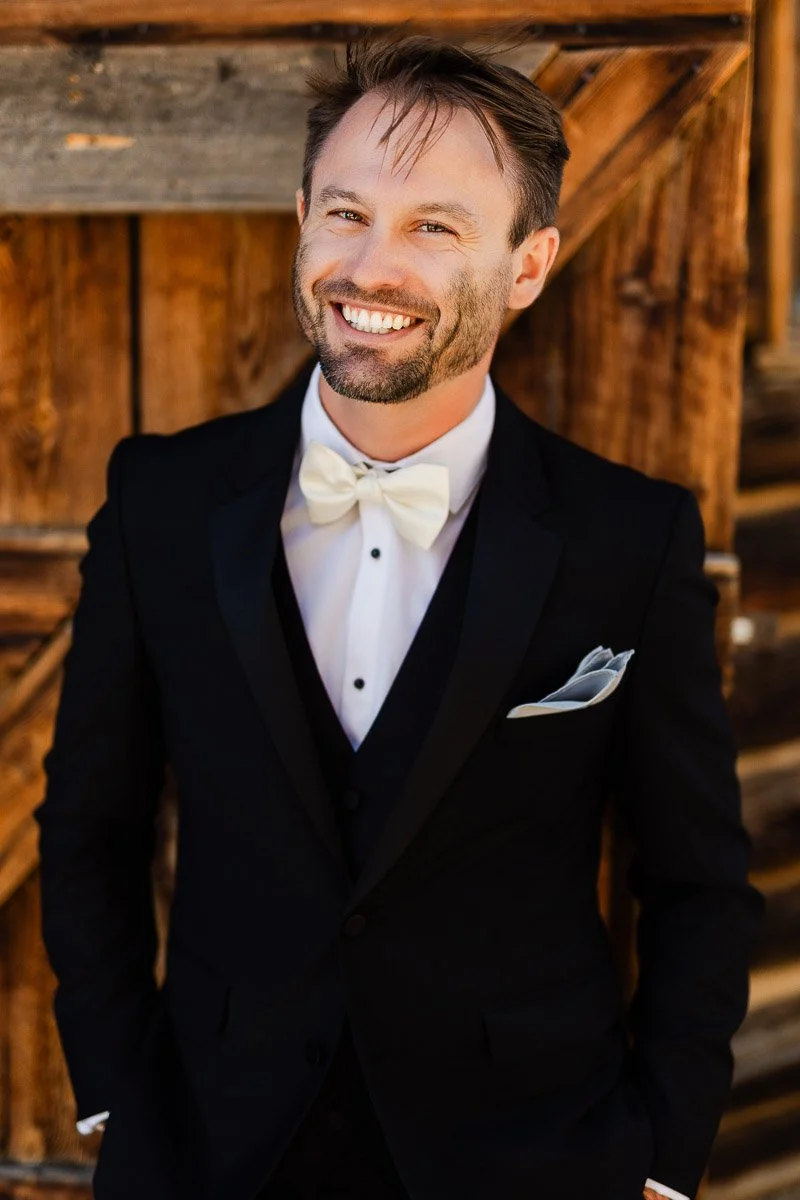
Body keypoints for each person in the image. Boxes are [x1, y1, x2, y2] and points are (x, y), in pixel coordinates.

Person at [36, 34, 762, 1200]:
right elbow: (88, 829)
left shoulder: (628, 540)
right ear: (300, 217)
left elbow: (694, 883)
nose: (370, 267)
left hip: (532, 1161)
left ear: (526, 267)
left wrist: (660, 1158)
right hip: (208, 1156)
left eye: (435, 227)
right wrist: (120, 1093)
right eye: (344, 212)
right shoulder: (160, 501)